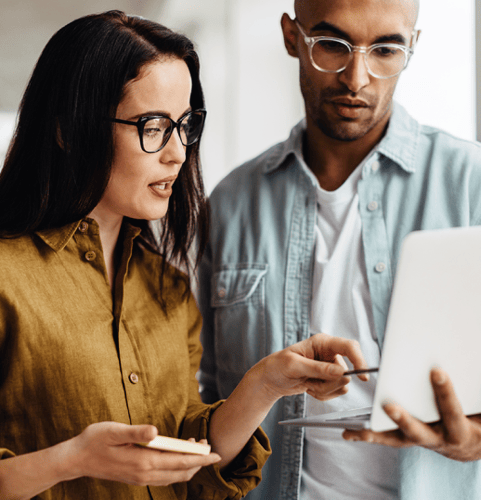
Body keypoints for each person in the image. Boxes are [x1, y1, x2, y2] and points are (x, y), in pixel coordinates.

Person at [0, 10, 370, 500]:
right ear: (69, 129)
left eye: (185, 125)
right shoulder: (8, 275)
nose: (177, 152)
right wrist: (72, 460)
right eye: (152, 126)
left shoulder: (167, 287)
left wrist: (266, 383)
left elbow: (187, 459)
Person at [198, 0, 481, 499]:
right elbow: (197, 402)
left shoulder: (471, 183)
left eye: (387, 49)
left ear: (413, 47)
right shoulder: (230, 204)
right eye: (332, 45)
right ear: (292, 38)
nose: (357, 77)